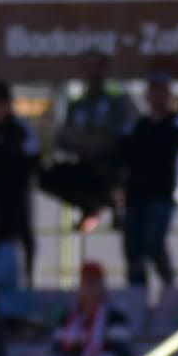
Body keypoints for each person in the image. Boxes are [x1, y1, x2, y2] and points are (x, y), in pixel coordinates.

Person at [41, 53, 135, 231]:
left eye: (96, 66)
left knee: (118, 168)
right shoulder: (78, 104)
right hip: (85, 165)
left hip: (111, 166)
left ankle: (114, 205)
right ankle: (93, 205)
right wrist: (79, 142)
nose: (91, 72)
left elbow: (125, 132)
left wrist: (101, 141)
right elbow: (63, 138)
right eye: (87, 67)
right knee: (46, 176)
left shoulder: (117, 100)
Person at [119, 73, 178, 295]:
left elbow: (170, 147)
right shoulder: (137, 125)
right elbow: (124, 155)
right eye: (152, 91)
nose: (156, 96)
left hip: (164, 195)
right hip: (136, 195)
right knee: (133, 249)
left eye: (161, 91)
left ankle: (170, 289)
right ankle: (136, 296)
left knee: (153, 242)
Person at [0, 81, 38, 283]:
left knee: (23, 236)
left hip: (18, 194)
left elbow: (33, 160)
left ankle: (29, 279)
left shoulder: (21, 130)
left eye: (0, 104)